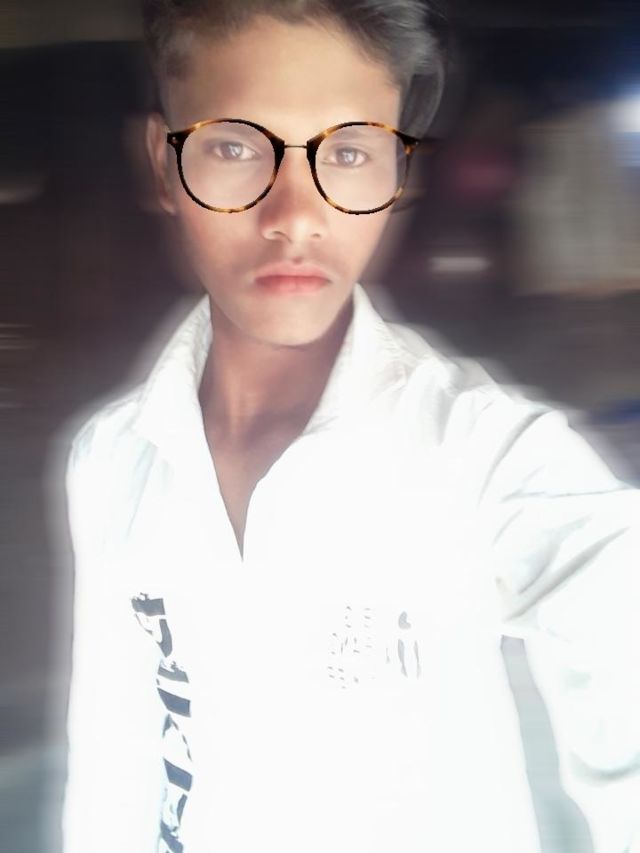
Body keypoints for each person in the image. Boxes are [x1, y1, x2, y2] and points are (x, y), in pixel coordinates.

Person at [61, 2, 640, 852]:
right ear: (162, 163)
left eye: (350, 152)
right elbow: (111, 767)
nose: (296, 215)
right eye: (235, 147)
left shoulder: (486, 457)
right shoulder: (113, 459)